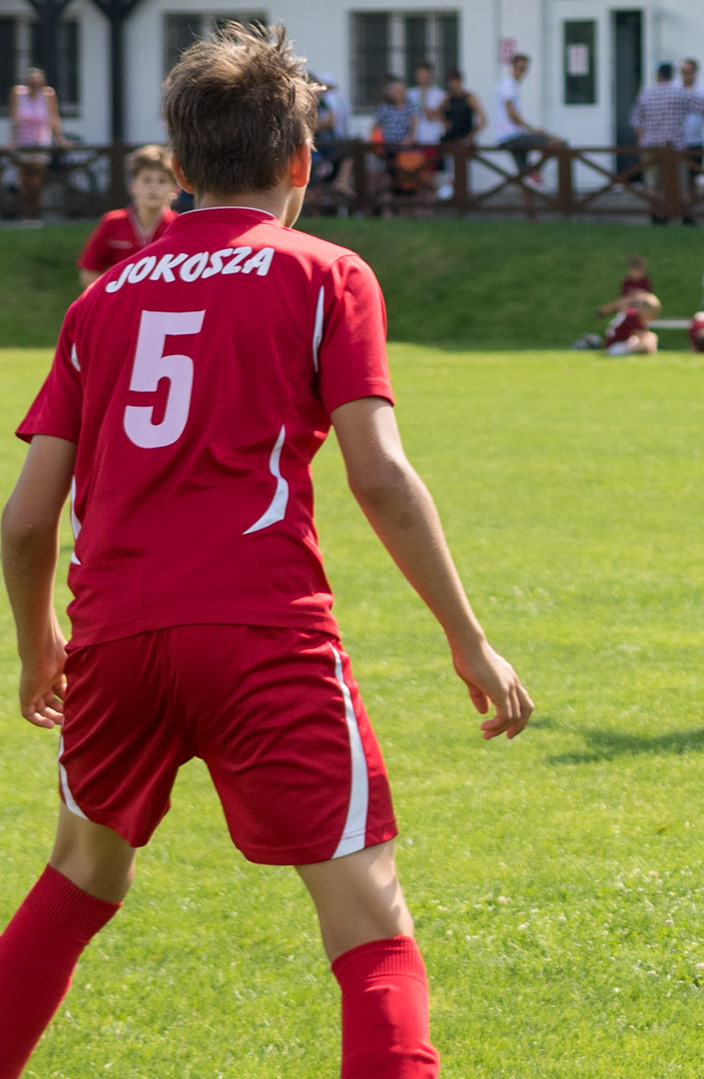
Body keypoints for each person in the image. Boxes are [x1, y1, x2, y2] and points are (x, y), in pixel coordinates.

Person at [0, 24, 533, 1078]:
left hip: (116, 636)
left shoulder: (99, 302)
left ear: (182, 169)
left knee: (80, 878)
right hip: (261, 632)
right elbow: (378, 475)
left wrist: (38, 645)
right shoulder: (326, 275)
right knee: (370, 917)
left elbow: (23, 521)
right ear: (301, 163)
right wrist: (470, 641)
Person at [77, 145, 178, 288]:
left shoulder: (179, 226)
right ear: (133, 186)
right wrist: (114, 295)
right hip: (119, 304)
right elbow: (89, 273)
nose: (153, 187)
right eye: (147, 180)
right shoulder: (112, 222)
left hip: (162, 307)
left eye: (162, 181)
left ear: (175, 189)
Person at [494, 53, 561, 218]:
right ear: (513, 67)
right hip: (511, 135)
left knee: (524, 175)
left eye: (524, 70)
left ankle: (530, 214)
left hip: (509, 136)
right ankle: (535, 172)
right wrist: (533, 130)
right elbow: (512, 114)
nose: (521, 73)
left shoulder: (509, 85)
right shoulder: (508, 85)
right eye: (519, 69)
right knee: (555, 142)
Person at [632, 62, 700, 223]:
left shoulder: (645, 95)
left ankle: (656, 215)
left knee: (652, 184)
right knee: (681, 184)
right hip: (675, 145)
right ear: (672, 75)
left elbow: (636, 122)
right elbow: (703, 107)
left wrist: (642, 141)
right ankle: (686, 216)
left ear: (657, 75)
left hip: (651, 145)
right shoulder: (680, 94)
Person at [8, 68, 64, 226]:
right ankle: (25, 216)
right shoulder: (18, 94)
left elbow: (54, 118)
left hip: (41, 143)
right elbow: (14, 119)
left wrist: (60, 139)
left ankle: (35, 216)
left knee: (36, 181)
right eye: (32, 82)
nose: (35, 84)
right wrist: (12, 140)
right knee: (24, 181)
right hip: (23, 143)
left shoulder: (48, 95)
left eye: (38, 82)